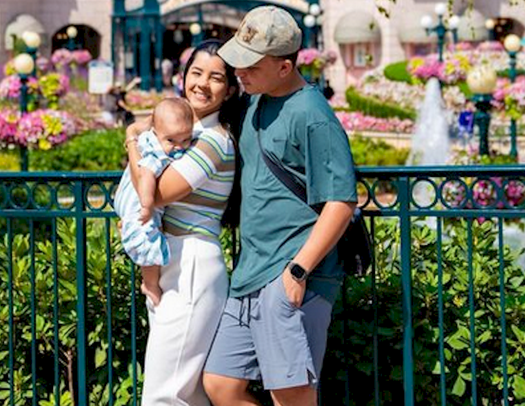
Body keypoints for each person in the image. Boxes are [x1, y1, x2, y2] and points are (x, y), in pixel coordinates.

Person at [202, 6, 357, 406]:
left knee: (291, 396)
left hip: (290, 273)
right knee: (221, 384)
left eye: (250, 64)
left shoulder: (312, 114)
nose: (240, 72)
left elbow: (340, 202)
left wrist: (297, 271)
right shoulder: (255, 101)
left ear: (285, 67)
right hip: (252, 271)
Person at [123, 39, 242, 406]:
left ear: (231, 89)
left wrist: (131, 138)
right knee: (185, 395)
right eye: (196, 72)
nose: (202, 84)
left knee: (164, 396)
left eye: (216, 77)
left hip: (190, 262)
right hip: (172, 260)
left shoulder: (214, 140)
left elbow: (156, 194)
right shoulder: (183, 136)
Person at [115, 98, 194, 307]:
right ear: (157, 134)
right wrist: (147, 206)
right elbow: (146, 176)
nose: (179, 147)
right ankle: (150, 284)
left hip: (132, 201)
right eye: (172, 141)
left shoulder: (155, 140)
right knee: (147, 239)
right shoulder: (155, 153)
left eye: (186, 140)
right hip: (140, 202)